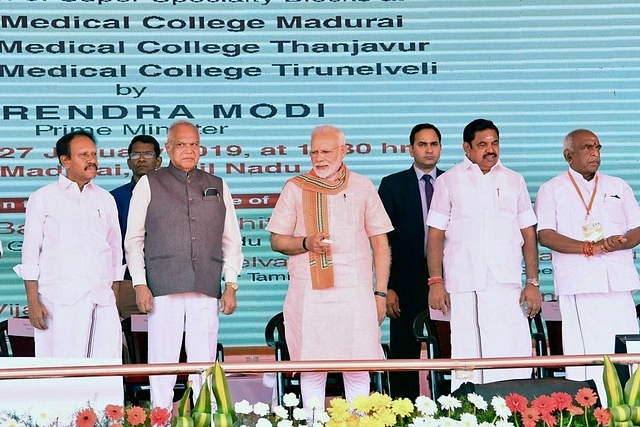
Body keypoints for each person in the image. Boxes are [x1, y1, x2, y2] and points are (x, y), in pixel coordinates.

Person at [266, 125, 393, 409]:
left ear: (343, 151)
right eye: (314, 152)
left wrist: (380, 293)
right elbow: (277, 240)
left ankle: (360, 420)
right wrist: (307, 242)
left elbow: (381, 244)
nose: (319, 158)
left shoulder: (362, 186)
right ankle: (314, 421)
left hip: (355, 293)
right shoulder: (296, 187)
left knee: (358, 365)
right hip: (310, 294)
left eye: (325, 151)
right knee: (313, 366)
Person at [125, 120, 243, 410]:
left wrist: (231, 284)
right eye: (181, 144)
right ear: (168, 148)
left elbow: (231, 239)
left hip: (205, 286)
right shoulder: (149, 183)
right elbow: (134, 239)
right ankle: (160, 417)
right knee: (162, 361)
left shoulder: (217, 184)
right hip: (163, 288)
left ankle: (207, 417)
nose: (189, 150)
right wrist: (140, 283)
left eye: (194, 144)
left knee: (204, 361)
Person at [427, 118, 541, 391]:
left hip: (507, 284)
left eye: (495, 143)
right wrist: (436, 281)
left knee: (514, 350)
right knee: (468, 355)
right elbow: (435, 236)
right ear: (467, 148)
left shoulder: (515, 180)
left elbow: (528, 234)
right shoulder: (448, 181)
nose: (491, 149)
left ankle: (516, 411)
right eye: (482, 144)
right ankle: (471, 413)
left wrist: (533, 282)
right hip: (465, 285)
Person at [535, 129, 640, 404]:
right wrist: (589, 247)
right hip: (581, 284)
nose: (595, 153)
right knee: (589, 355)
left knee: (628, 352)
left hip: (618, 283)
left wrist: (621, 241)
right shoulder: (552, 189)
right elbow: (545, 234)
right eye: (587, 147)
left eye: (598, 147)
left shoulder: (618, 186)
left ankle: (629, 410)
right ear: (568, 155)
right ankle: (593, 411)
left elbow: (637, 229)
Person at [13, 130, 125, 358]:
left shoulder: (105, 199)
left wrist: (112, 298)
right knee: (62, 369)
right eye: (84, 154)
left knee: (106, 369)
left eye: (94, 153)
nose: (92, 159)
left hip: (102, 301)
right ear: (65, 160)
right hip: (59, 302)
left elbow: (115, 253)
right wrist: (33, 302)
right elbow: (30, 253)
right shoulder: (43, 198)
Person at [378, 123, 445, 400]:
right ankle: (402, 412)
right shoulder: (393, 185)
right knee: (404, 353)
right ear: (410, 149)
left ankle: (449, 407)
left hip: (446, 280)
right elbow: (382, 241)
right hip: (404, 283)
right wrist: (388, 287)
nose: (428, 150)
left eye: (434, 144)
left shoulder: (453, 181)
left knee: (446, 350)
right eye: (422, 144)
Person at [110, 135, 162, 319]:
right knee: (132, 343)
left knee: (171, 344)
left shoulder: (174, 195)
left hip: (168, 283)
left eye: (147, 154)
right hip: (128, 283)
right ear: (128, 162)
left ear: (159, 160)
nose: (141, 159)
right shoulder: (113, 198)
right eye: (135, 155)